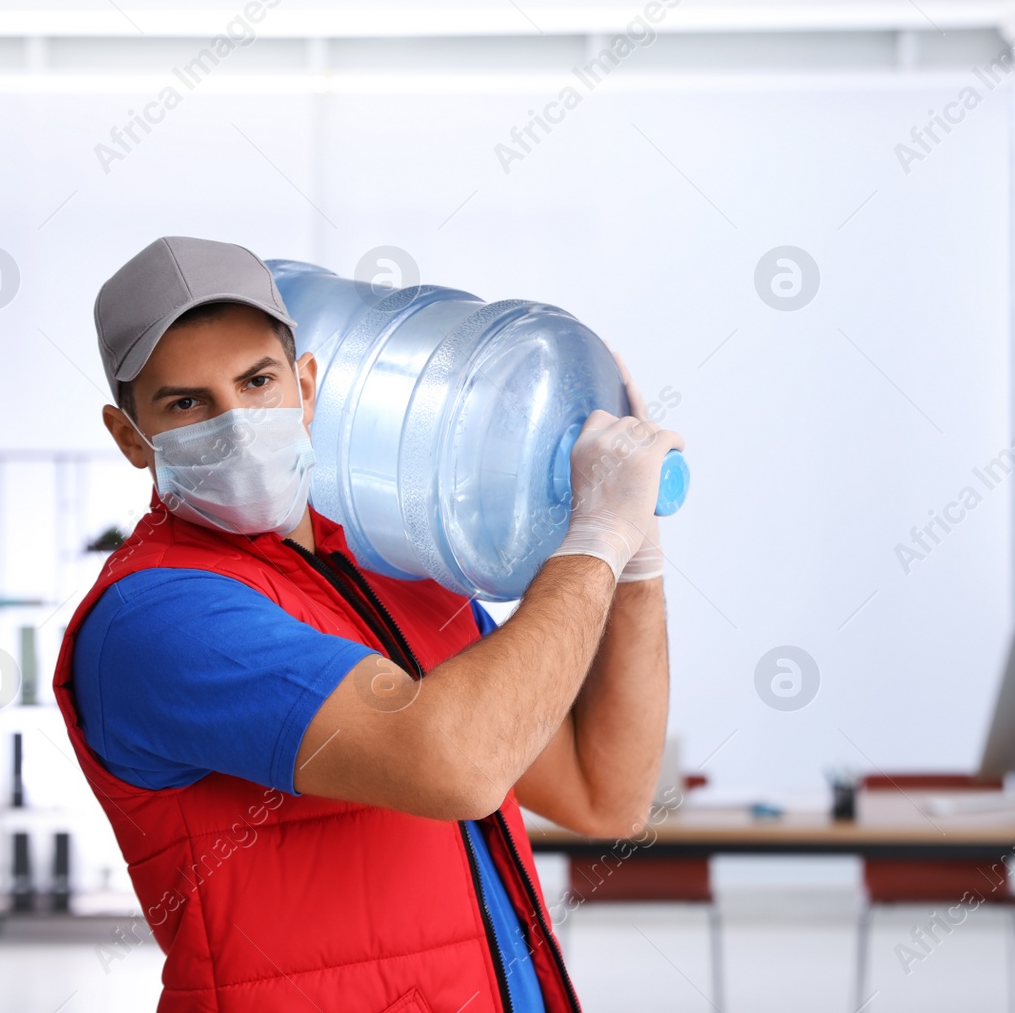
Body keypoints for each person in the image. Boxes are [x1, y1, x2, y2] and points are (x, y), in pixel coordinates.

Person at [51, 236, 684, 1013]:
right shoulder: (159, 617)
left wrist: (637, 561)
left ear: (306, 386)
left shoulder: (400, 579)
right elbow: (457, 765)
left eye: (258, 381)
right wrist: (593, 543)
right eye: (187, 403)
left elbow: (605, 794)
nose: (236, 423)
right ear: (128, 436)